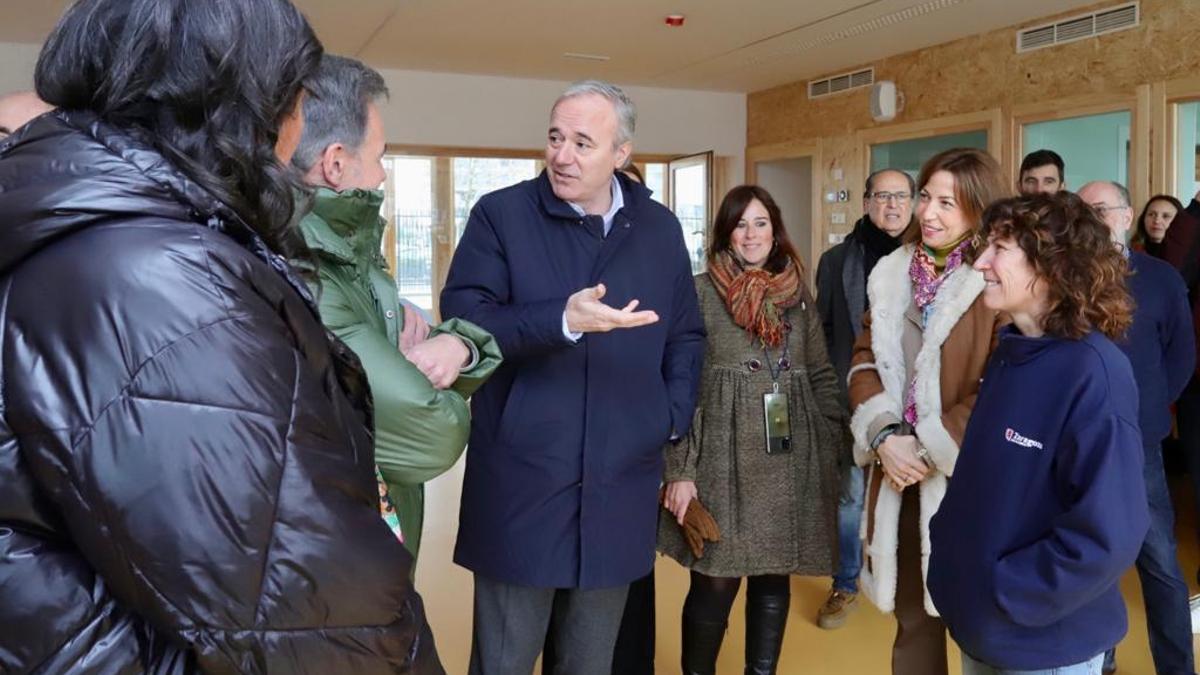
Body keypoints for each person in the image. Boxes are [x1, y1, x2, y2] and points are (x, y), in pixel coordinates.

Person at [0, 0, 442, 671]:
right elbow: (306, 610)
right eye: (294, 95)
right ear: (252, 103)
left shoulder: (94, 222)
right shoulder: (164, 279)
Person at [441, 80, 706, 675]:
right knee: (504, 659)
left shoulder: (659, 229)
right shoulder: (501, 216)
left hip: (620, 478)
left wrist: (667, 414)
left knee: (589, 663)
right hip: (524, 477)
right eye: (555, 137)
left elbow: (686, 335)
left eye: (583, 142)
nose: (562, 155)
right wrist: (559, 319)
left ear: (622, 154)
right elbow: (465, 318)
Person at [928, 192, 1150, 675]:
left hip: (1043, 645)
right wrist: (951, 553)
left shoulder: (1093, 373)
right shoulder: (1012, 352)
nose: (981, 262)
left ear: (1054, 265)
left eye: (999, 249)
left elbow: (1110, 533)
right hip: (982, 625)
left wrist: (1006, 589)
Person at [290, 54, 501, 561]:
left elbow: (407, 357)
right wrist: (420, 365)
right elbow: (431, 431)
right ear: (336, 163)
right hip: (335, 554)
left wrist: (455, 347)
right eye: (380, 155)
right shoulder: (307, 268)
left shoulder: (348, 248)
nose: (383, 175)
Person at [657, 184, 845, 674]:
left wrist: (831, 441)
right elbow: (680, 383)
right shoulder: (699, 291)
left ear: (775, 229)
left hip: (791, 453)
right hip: (722, 453)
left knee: (772, 579)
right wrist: (679, 468)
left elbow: (820, 372)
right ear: (725, 233)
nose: (751, 233)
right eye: (740, 224)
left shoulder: (796, 292)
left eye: (760, 223)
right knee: (714, 579)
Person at [848, 147, 1007, 675]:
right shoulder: (891, 271)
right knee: (913, 623)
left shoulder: (998, 277)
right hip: (900, 480)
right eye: (926, 197)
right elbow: (864, 357)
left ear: (979, 209)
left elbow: (1005, 384)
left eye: (948, 203)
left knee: (979, 626)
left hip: (971, 482)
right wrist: (885, 434)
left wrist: (927, 445)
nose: (928, 213)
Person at [1078, 181, 1196, 675]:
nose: (1091, 219)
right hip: (1077, 442)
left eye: (1101, 210)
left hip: (1138, 441)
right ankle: (1099, 661)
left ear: (1127, 216)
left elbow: (1182, 354)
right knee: (1089, 560)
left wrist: (1149, 408)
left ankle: (1176, 668)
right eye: (1082, 211)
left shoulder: (1161, 277)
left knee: (1159, 560)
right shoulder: (1062, 275)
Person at [814, 168, 911, 629]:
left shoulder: (928, 260)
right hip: (854, 397)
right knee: (850, 498)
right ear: (867, 201)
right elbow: (827, 332)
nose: (892, 205)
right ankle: (846, 583)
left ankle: (918, 584)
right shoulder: (836, 262)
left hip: (915, 402)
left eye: (901, 196)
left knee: (916, 494)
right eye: (883, 196)